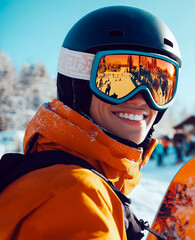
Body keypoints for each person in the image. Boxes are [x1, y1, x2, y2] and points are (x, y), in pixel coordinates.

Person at [0, 6, 181, 239]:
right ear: (77, 84)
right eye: (118, 79)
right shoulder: (78, 193)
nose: (140, 99)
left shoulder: (47, 177)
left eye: (159, 84)